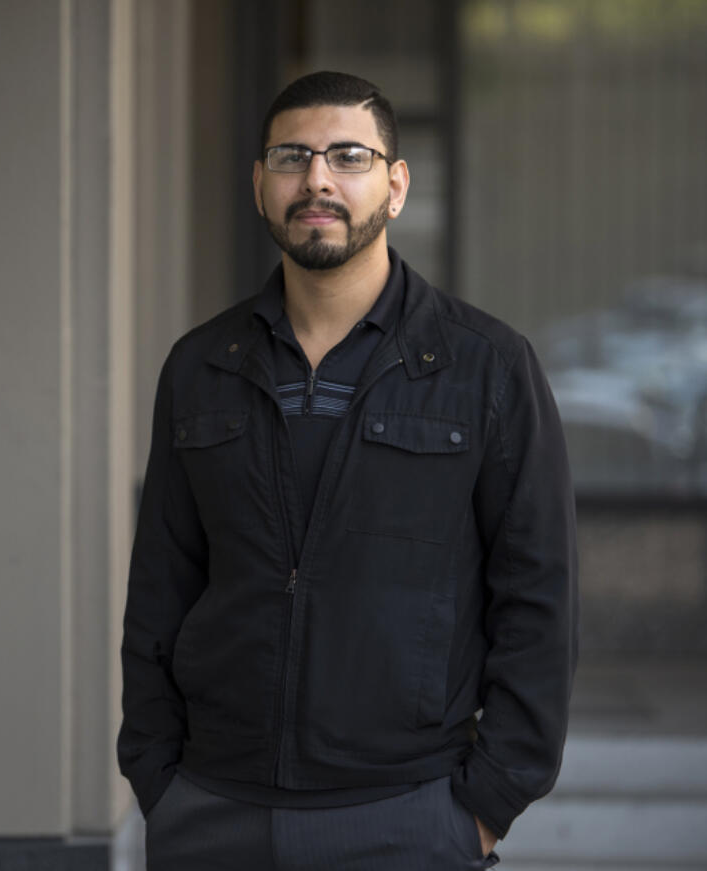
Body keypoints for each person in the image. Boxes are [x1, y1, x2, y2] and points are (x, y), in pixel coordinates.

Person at [117, 70, 578, 870]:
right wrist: (159, 780)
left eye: (349, 156)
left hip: (408, 814)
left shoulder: (487, 368)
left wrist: (489, 802)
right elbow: (160, 587)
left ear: (396, 187)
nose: (318, 179)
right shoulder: (201, 366)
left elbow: (540, 595)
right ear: (260, 186)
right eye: (292, 157)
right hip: (212, 814)